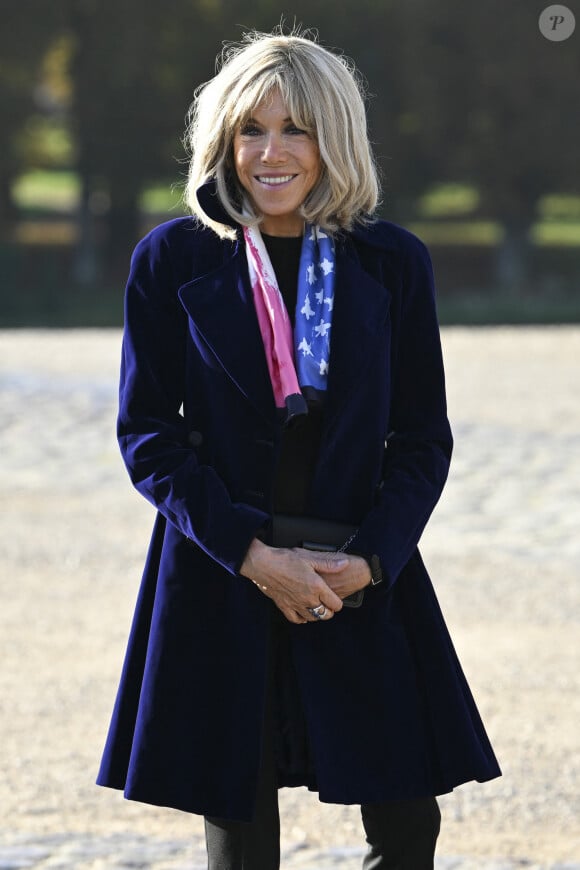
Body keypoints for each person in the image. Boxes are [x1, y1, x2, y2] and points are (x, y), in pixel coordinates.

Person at [97, 28, 501, 870]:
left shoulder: (393, 264)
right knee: (240, 837)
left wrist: (374, 559)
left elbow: (423, 438)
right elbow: (149, 437)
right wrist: (250, 554)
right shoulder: (169, 261)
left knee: (408, 825)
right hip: (224, 569)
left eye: (296, 129)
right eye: (252, 129)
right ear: (223, 140)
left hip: (356, 569)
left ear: (335, 139)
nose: (270, 153)